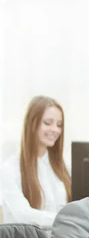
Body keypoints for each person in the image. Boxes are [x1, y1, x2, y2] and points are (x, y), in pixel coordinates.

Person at [0, 96, 71, 228]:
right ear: (32, 124)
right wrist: (68, 221)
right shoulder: (9, 169)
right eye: (48, 123)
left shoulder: (64, 167)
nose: (55, 129)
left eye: (59, 125)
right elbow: (24, 215)